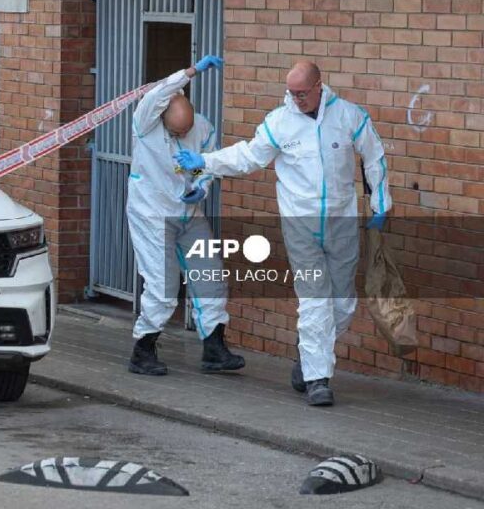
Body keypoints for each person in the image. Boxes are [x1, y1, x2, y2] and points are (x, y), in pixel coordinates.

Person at [175, 61, 391, 406]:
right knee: (315, 300)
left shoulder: (349, 116)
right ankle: (318, 380)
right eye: (292, 92)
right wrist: (204, 161)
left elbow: (374, 156)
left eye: (303, 92)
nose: (297, 98)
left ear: (320, 85)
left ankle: (308, 355)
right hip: (300, 224)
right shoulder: (279, 122)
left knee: (344, 304)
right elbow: (248, 156)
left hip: (341, 222)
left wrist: (380, 204)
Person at [126, 55, 245, 376]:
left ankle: (214, 348)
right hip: (151, 212)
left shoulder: (202, 127)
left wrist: (202, 189)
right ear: (164, 117)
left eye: (186, 130)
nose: (183, 135)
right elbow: (159, 91)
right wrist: (191, 72)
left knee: (211, 275)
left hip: (188, 211)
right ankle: (144, 349)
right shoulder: (146, 120)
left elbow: (209, 166)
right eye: (177, 131)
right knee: (163, 285)